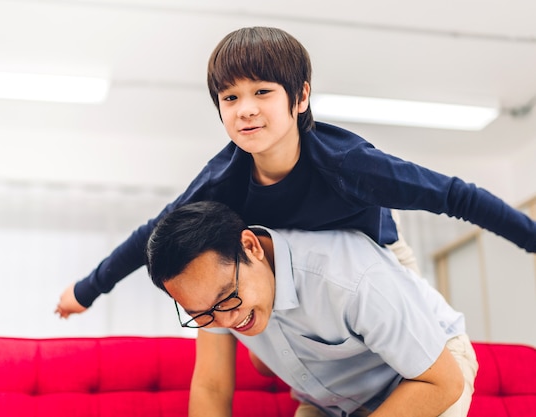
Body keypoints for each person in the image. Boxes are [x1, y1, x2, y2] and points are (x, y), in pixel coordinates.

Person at [55, 26, 536, 318]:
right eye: (230, 98)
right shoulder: (222, 180)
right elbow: (154, 233)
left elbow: (457, 196)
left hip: (378, 259)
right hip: (300, 275)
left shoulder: (350, 164)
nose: (245, 110)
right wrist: (86, 289)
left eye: (262, 92)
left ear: (301, 97)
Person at [146, 200, 478, 417]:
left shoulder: (347, 276)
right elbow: (212, 388)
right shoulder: (209, 295)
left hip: (426, 370)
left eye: (228, 298)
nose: (225, 320)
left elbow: (443, 382)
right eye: (202, 315)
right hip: (330, 400)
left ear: (250, 246)